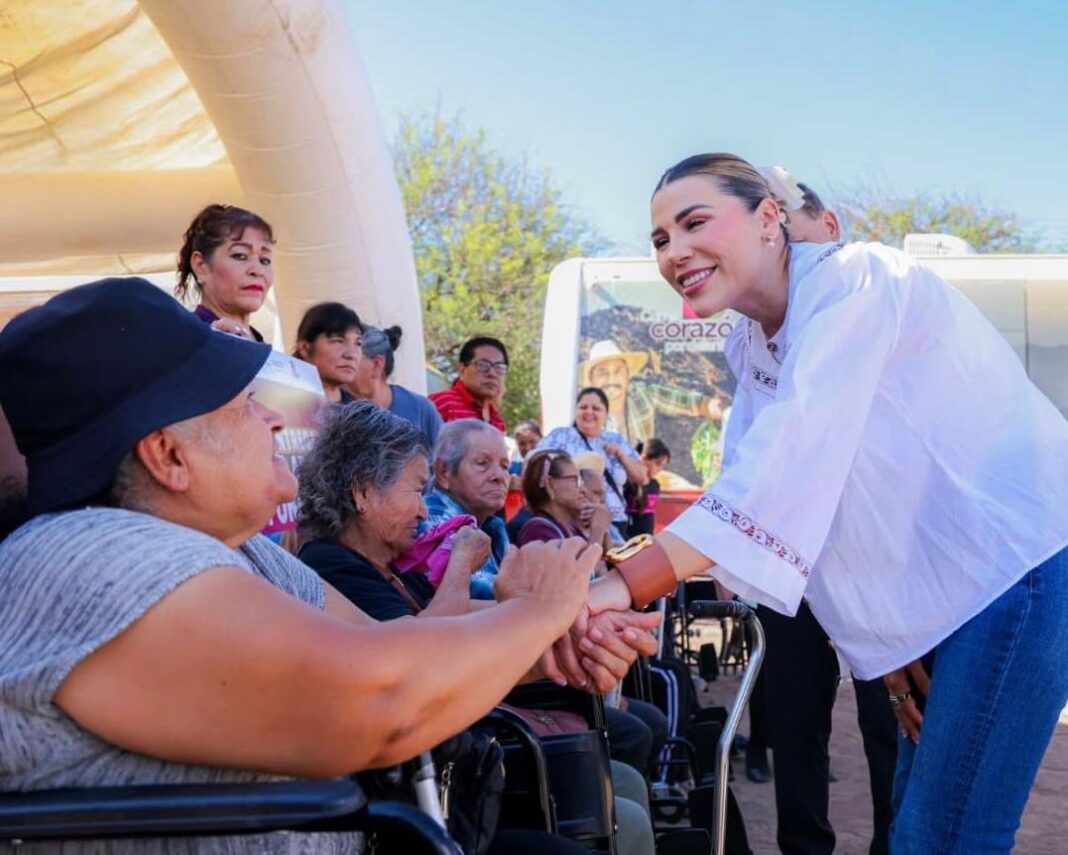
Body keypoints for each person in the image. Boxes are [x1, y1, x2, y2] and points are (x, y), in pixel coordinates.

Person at [0, 278, 608, 854]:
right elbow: (378, 700)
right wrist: (538, 611)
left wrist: (561, 634)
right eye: (241, 404)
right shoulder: (95, 555)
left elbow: (396, 644)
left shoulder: (237, 549)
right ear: (168, 455)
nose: (271, 416)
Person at [582, 152, 1068, 855]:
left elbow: (781, 475)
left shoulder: (853, 282)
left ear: (770, 218)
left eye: (694, 223)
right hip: (949, 596)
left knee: (946, 833)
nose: (675, 252)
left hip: (1012, 566)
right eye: (660, 239)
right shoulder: (752, 349)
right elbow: (785, 504)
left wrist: (615, 589)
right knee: (913, 820)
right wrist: (890, 648)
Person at [295, 402, 660, 855]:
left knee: (621, 792)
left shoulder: (385, 564)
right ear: (363, 493)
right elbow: (423, 653)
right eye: (415, 490)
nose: (422, 511)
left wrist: (570, 619)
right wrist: (462, 564)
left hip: (456, 770)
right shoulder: (331, 566)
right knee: (619, 811)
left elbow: (477, 614)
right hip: (425, 795)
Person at [737, 170, 898, 853]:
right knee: (795, 712)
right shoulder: (745, 338)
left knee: (887, 714)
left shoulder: (859, 289)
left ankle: (898, 839)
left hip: (872, 550)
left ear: (825, 229)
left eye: (785, 234)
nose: (772, 252)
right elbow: (747, 450)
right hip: (791, 560)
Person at [421, 419, 514, 599]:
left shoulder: (490, 524)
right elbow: (484, 599)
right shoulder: (432, 521)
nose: (499, 476)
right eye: (482, 463)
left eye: (504, 466)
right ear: (444, 472)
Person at [538, 387, 648, 537]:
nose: (589, 412)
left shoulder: (616, 439)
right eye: (583, 407)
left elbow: (642, 477)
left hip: (615, 522)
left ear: (606, 414)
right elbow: (536, 467)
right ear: (576, 411)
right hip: (576, 522)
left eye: (596, 408)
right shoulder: (560, 436)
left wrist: (620, 454)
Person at [579, 339, 725, 448]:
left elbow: (686, 401)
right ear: (592, 379)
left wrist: (711, 407)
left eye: (618, 371)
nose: (611, 379)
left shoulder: (643, 394)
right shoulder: (580, 413)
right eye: (603, 373)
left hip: (640, 482)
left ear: (627, 375)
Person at [176, 203, 275, 341]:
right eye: (240, 255)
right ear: (200, 265)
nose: (257, 270)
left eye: (265, 260)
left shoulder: (260, 343)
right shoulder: (185, 341)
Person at [351, 323, 443, 446]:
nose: (342, 365)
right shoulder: (334, 408)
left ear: (377, 365)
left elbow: (444, 461)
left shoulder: (421, 409)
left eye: (350, 358)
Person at [516, 449, 611, 549]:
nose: (583, 490)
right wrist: (597, 531)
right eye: (576, 481)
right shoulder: (537, 531)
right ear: (551, 484)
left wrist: (604, 533)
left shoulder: (571, 529)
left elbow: (608, 564)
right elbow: (588, 565)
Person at [429, 335, 509, 431]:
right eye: (483, 365)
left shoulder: (497, 421)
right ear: (462, 370)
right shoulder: (442, 404)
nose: (492, 373)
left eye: (499, 367)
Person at [293, 302, 363, 404]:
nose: (351, 355)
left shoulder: (359, 415)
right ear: (304, 348)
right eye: (338, 341)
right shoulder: (279, 404)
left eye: (358, 343)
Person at [625, 438, 670, 538]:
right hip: (629, 538)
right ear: (644, 458)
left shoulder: (655, 485)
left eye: (662, 466)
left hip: (646, 538)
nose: (659, 470)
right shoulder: (628, 483)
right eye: (657, 464)